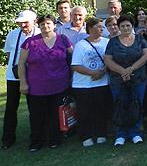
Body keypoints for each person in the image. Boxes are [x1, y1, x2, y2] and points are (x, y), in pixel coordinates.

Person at [17, 14, 73, 152]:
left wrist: (72, 79)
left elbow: (72, 59)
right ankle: (36, 141)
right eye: (42, 24)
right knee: (37, 115)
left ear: (54, 25)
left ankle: (54, 139)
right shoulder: (30, 42)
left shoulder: (63, 40)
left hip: (60, 85)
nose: (45, 26)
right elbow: (21, 64)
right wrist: (23, 83)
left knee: (55, 114)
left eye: (48, 23)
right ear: (39, 25)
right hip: (36, 87)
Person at [104, 14, 147, 145]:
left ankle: (135, 133)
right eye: (123, 26)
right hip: (118, 80)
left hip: (138, 79)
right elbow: (107, 59)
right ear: (119, 27)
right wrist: (122, 71)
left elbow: (146, 55)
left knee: (136, 104)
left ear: (132, 26)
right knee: (120, 105)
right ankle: (120, 134)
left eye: (128, 25)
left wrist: (131, 69)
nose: (125, 28)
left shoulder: (140, 39)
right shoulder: (113, 42)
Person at [70, 16, 111, 147]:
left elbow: (110, 60)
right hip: (83, 84)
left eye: (102, 27)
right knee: (84, 111)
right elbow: (75, 65)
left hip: (102, 83)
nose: (101, 29)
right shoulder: (80, 45)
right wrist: (93, 73)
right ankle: (85, 136)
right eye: (98, 26)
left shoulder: (107, 42)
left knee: (101, 109)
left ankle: (101, 133)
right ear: (90, 28)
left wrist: (103, 71)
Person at [2, 10, 39, 149]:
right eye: (20, 23)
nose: (23, 25)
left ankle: (36, 138)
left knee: (34, 107)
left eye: (26, 22)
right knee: (11, 108)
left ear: (34, 21)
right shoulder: (12, 34)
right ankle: (8, 139)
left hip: (34, 76)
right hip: (13, 77)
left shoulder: (39, 34)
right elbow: (8, 53)